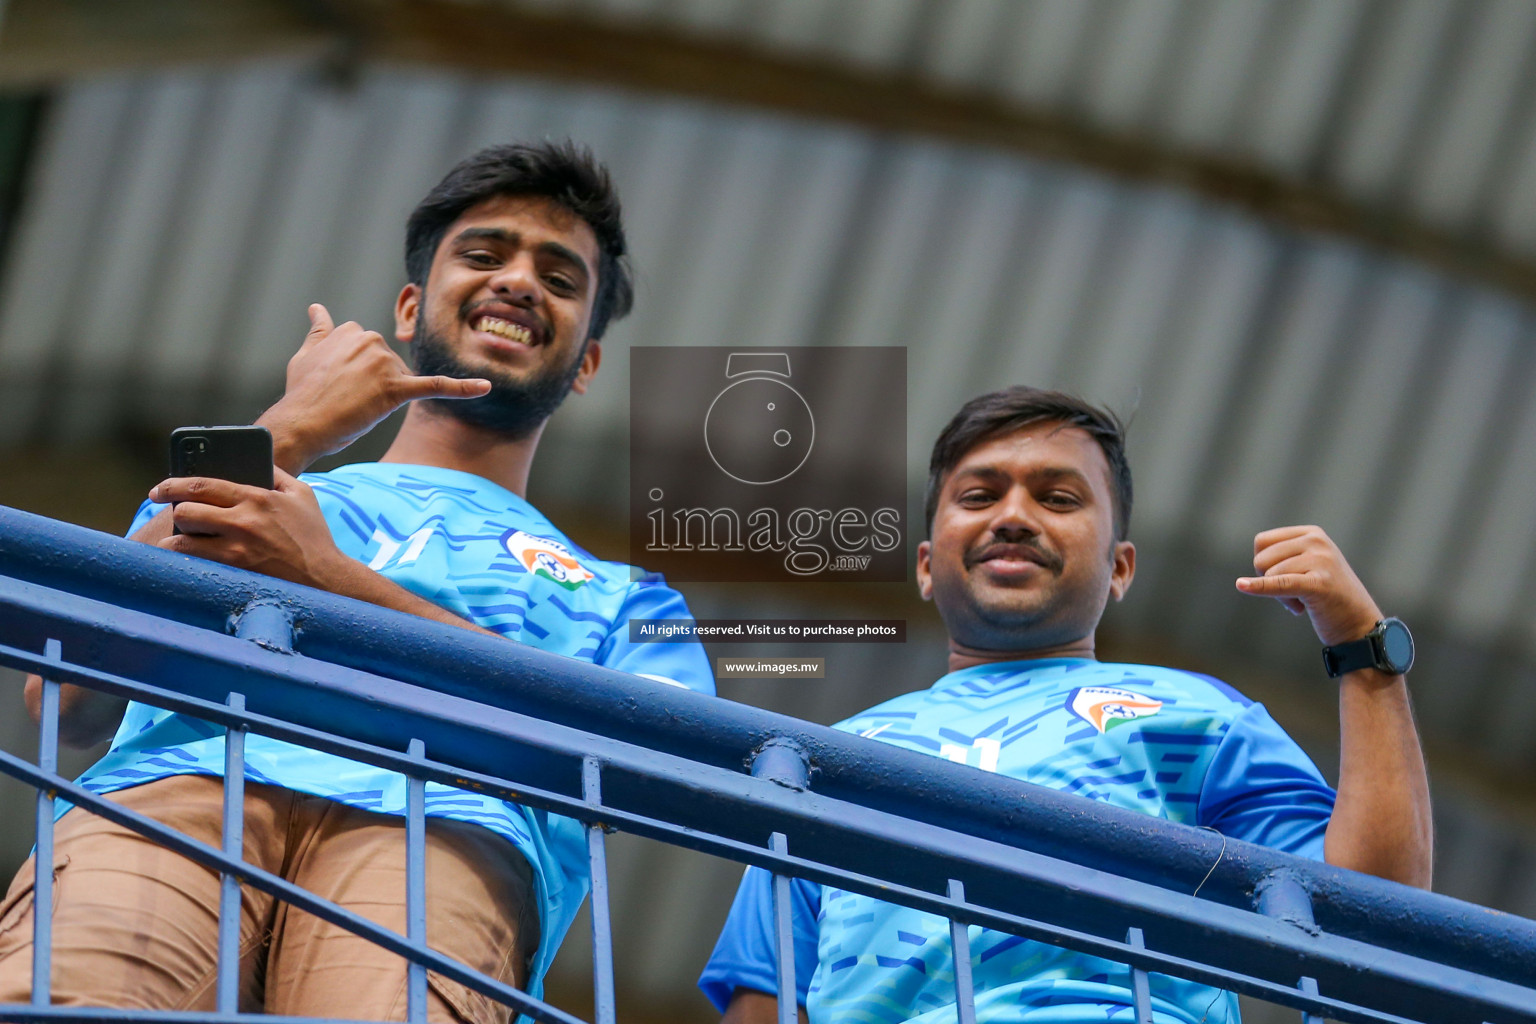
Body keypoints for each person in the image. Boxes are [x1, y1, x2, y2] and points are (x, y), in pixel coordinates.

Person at [0, 142, 713, 1021]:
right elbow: (64, 698)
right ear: (410, 309)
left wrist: (325, 579)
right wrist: (285, 431)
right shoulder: (264, 484)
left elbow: (662, 779)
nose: (521, 282)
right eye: (485, 256)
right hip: (173, 794)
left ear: (588, 364)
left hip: (446, 842)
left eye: (561, 279)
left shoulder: (628, 597)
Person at [698, 386, 1431, 1024]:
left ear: (1120, 567)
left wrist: (1363, 649)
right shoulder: (823, 759)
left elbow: (1374, 917)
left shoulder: (1200, 716)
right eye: (980, 496)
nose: (1013, 517)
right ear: (925, 565)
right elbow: (766, 1000)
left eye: (1058, 498)